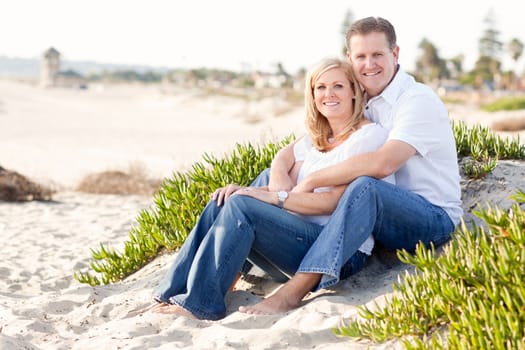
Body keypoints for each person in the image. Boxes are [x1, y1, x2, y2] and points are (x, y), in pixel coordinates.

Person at [240, 16, 462, 316]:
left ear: (395, 54)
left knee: (366, 186)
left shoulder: (416, 99)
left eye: (377, 55)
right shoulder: (361, 96)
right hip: (376, 216)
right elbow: (300, 146)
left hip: (429, 217)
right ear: (350, 58)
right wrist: (279, 173)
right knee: (266, 180)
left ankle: (293, 293)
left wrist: (313, 179)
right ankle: (231, 270)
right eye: (361, 56)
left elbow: (384, 164)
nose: (369, 64)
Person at [151, 57, 394, 320]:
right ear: (312, 95)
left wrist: (274, 197)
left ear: (354, 93)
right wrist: (275, 183)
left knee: (242, 204)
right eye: (320, 88)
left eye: (338, 86)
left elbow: (332, 202)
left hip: (336, 254)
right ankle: (171, 292)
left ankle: (200, 304)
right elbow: (282, 158)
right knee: (225, 199)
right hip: (293, 244)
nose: (328, 94)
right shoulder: (320, 136)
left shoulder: (367, 137)